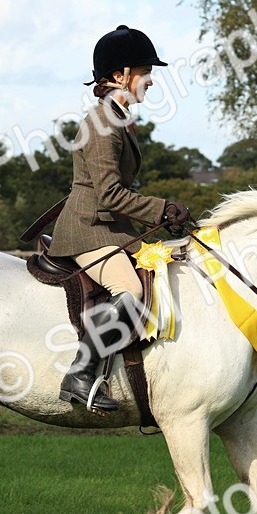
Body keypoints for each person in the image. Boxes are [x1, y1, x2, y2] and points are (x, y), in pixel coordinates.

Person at [47, 25, 191, 411]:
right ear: (118, 76)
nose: (151, 80)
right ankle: (80, 374)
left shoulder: (118, 117)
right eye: (145, 71)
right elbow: (109, 194)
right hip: (88, 231)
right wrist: (160, 208)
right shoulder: (102, 123)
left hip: (112, 229)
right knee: (132, 293)